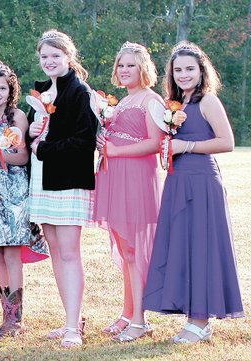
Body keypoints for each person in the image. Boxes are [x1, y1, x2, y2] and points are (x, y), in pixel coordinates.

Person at [143, 41, 244, 344]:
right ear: (171, 74)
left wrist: (186, 146)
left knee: (201, 248)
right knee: (183, 248)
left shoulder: (207, 101)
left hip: (202, 183)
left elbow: (227, 141)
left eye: (190, 69)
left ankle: (200, 321)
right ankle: (193, 316)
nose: (184, 74)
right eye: (178, 70)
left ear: (202, 71)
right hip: (178, 182)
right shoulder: (176, 105)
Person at [26, 30, 98, 347]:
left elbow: (84, 141)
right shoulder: (41, 91)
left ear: (68, 57)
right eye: (44, 56)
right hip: (42, 179)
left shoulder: (79, 92)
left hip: (69, 179)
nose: (49, 61)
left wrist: (43, 149)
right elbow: (32, 134)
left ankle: (72, 328)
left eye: (55, 55)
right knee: (55, 252)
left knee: (69, 253)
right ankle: (72, 318)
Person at [91, 42, 164, 342]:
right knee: (125, 250)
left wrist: (116, 151)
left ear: (143, 68)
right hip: (112, 176)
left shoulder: (152, 100)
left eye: (131, 65)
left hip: (135, 178)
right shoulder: (120, 102)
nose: (124, 70)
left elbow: (154, 143)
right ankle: (127, 313)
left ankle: (140, 320)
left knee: (134, 250)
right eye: (121, 65)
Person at [0, 61, 49, 337]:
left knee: (13, 252)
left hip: (13, 190)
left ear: (10, 89)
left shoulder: (16, 117)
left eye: (2, 87)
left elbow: (23, 156)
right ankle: (5, 315)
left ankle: (16, 320)